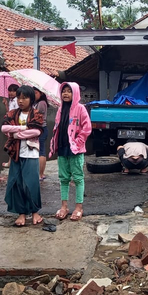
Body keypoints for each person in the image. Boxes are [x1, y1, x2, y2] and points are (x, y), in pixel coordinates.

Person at [2, 86, 44, 226]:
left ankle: (35, 212)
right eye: (18, 98)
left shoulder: (36, 114)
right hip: (16, 153)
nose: (20, 101)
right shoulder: (12, 113)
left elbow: (37, 131)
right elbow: (4, 128)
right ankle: (21, 213)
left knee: (31, 183)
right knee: (17, 183)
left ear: (31, 99)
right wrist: (24, 128)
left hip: (31, 153)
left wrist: (15, 134)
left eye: (24, 98)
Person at [50, 82, 92, 222]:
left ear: (75, 93)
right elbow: (57, 128)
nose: (66, 94)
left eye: (69, 91)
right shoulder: (60, 109)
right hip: (62, 148)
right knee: (63, 179)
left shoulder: (81, 108)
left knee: (78, 178)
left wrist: (78, 143)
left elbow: (87, 128)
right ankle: (64, 206)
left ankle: (79, 207)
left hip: (76, 150)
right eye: (64, 91)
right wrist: (54, 144)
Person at [2, 84, 19, 168]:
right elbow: (9, 112)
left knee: (11, 141)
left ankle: (10, 161)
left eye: (14, 91)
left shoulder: (17, 101)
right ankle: (10, 161)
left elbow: (14, 113)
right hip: (11, 122)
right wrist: (6, 105)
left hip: (14, 123)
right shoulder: (11, 100)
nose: (11, 93)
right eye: (10, 91)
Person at [33, 87, 49, 181]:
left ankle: (40, 174)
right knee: (40, 150)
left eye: (36, 93)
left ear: (41, 93)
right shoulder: (37, 103)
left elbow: (37, 116)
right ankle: (41, 173)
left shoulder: (41, 103)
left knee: (41, 151)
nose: (34, 95)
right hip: (40, 128)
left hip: (41, 128)